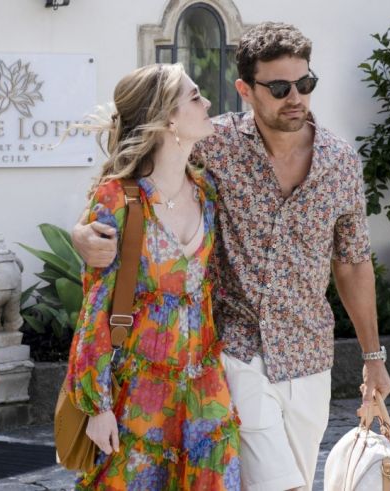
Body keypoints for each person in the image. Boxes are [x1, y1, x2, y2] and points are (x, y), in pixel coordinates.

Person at [72, 22, 390, 491]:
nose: (296, 97)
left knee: (298, 478)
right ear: (245, 89)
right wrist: (82, 233)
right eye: (281, 87)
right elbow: (136, 175)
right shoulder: (215, 146)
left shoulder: (340, 163)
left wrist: (373, 357)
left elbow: (353, 262)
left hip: (309, 354)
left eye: (305, 84)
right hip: (235, 350)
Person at [65, 63, 241, 490]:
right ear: (168, 119)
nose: (208, 104)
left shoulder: (206, 191)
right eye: (196, 97)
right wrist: (97, 405)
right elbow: (95, 307)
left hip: (203, 388)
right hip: (136, 393)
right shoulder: (117, 198)